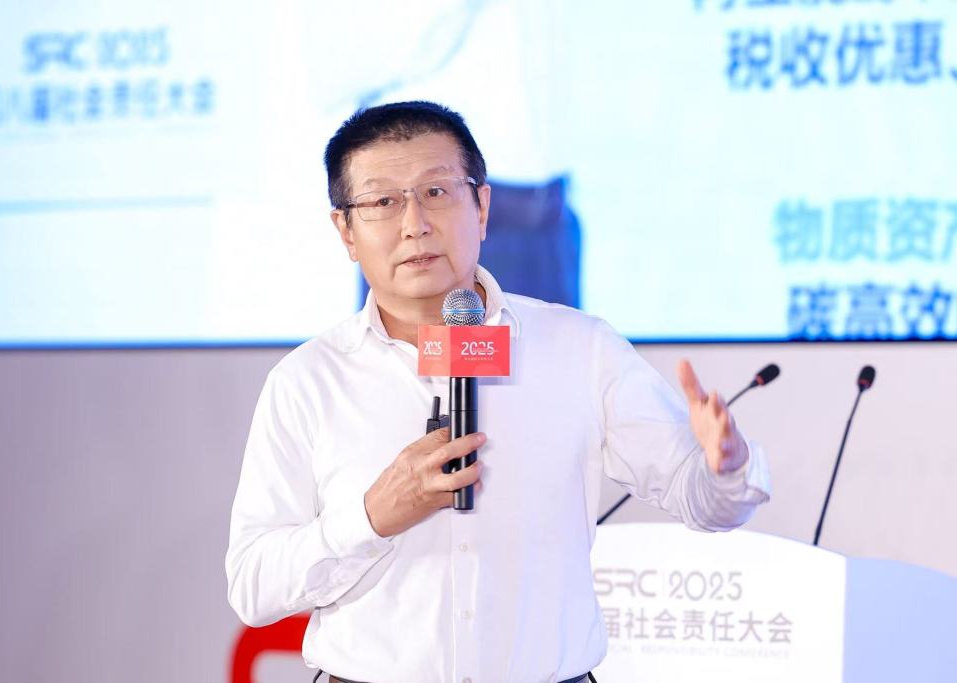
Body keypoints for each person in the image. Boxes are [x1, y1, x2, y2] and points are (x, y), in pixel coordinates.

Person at [225, 101, 771, 683]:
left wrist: (724, 470)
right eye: (383, 202)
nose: (415, 223)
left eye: (437, 192)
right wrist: (373, 516)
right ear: (346, 231)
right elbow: (254, 586)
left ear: (481, 207)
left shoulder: (579, 349)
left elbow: (704, 502)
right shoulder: (308, 381)